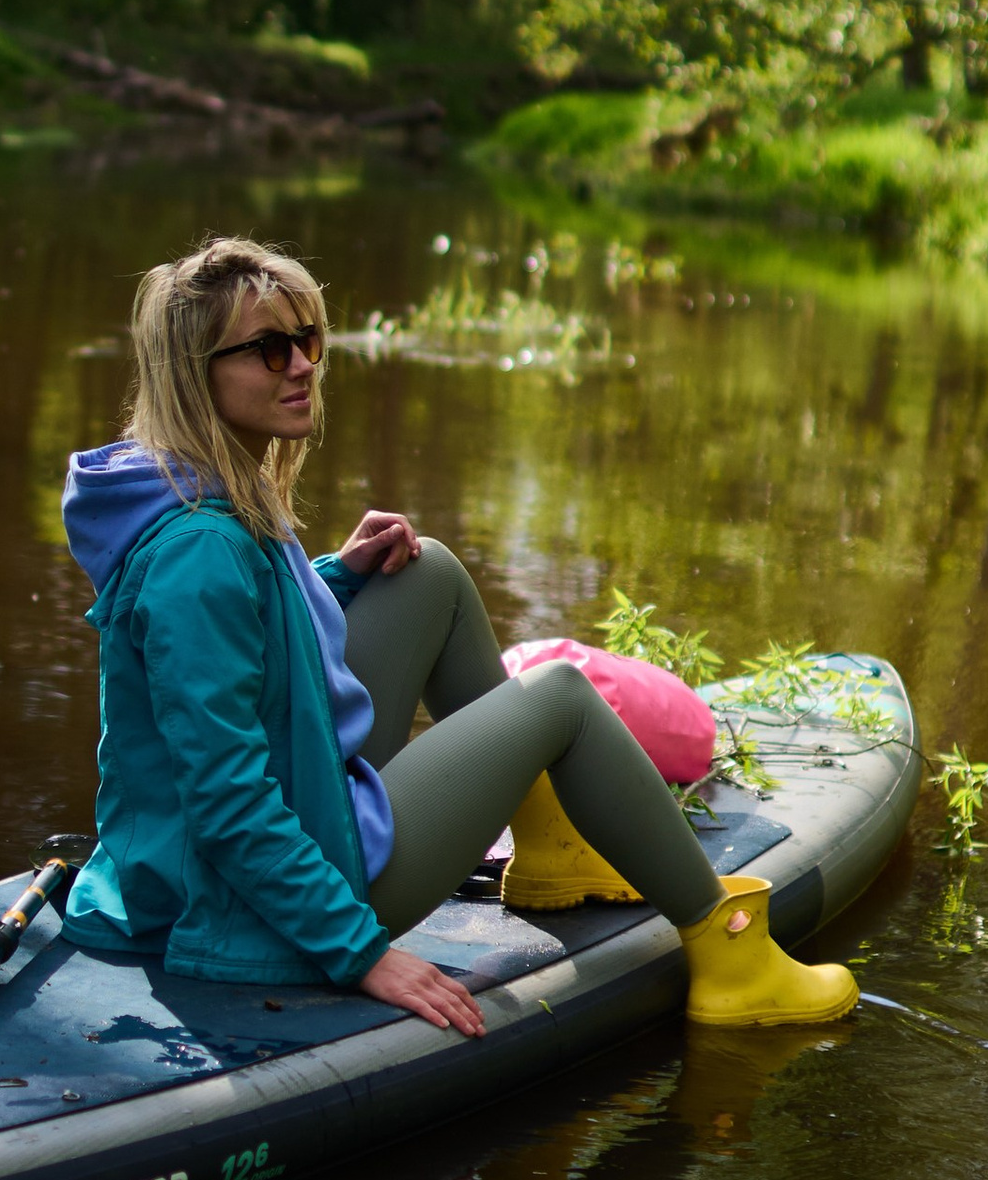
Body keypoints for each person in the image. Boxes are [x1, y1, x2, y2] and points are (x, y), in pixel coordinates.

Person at [60, 233, 857, 1034]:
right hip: (246, 908)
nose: (303, 365)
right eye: (270, 349)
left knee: (427, 574)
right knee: (560, 700)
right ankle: (733, 964)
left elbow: (255, 640)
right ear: (198, 377)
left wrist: (339, 576)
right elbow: (226, 799)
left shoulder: (201, 488)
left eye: (307, 340)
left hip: (279, 817)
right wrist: (360, 951)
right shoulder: (199, 553)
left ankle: (549, 852)